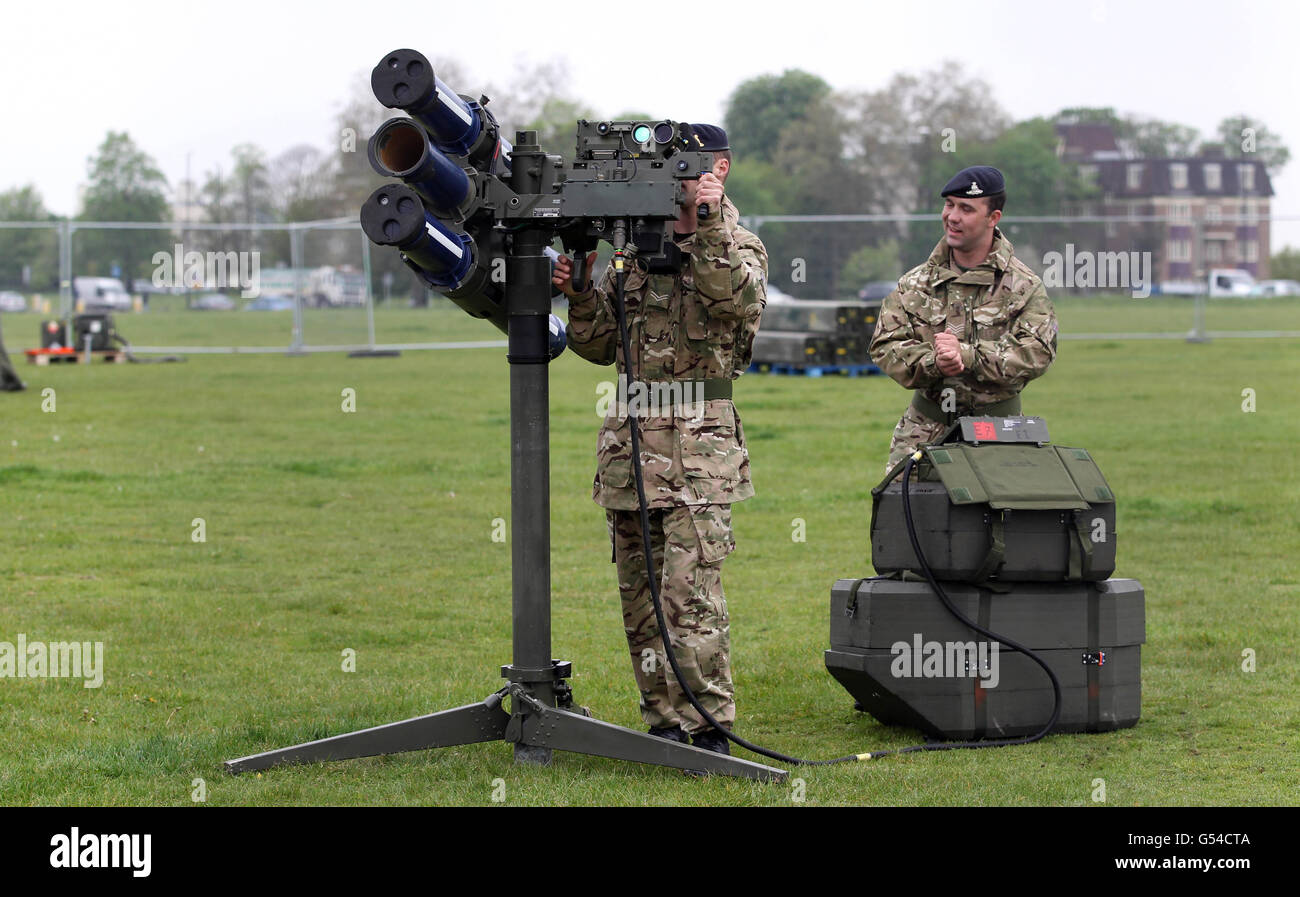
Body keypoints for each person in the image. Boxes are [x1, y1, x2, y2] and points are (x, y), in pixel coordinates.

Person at [552, 124, 766, 759]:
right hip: (630, 448)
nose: (680, 176)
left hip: (701, 452)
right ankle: (663, 722)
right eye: (674, 165)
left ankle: (710, 729)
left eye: (694, 165)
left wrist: (705, 220)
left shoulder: (738, 243)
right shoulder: (633, 249)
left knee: (690, 595)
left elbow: (736, 298)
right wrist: (583, 291)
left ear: (720, 169)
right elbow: (598, 347)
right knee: (640, 598)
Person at [869, 165, 1057, 474]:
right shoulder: (915, 283)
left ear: (992, 218)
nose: (952, 216)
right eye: (949, 205)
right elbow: (885, 345)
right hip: (923, 436)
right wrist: (933, 363)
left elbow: (1036, 353)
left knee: (999, 521)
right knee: (907, 520)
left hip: (1000, 435)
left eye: (966, 209)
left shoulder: (1023, 286)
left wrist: (968, 357)